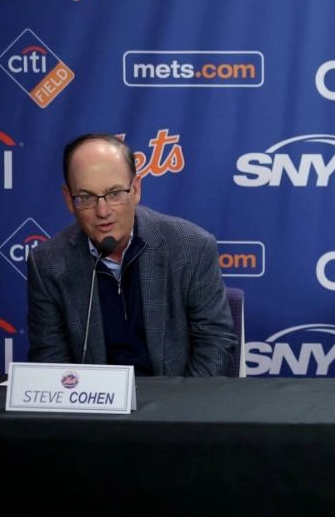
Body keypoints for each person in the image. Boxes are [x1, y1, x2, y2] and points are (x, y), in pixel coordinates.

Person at [27, 133, 236, 376]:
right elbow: (50, 360)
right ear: (69, 200)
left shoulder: (192, 247)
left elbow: (215, 343)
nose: (103, 211)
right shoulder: (48, 263)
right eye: (86, 197)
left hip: (174, 401)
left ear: (135, 189)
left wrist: (178, 408)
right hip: (92, 405)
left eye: (115, 193)